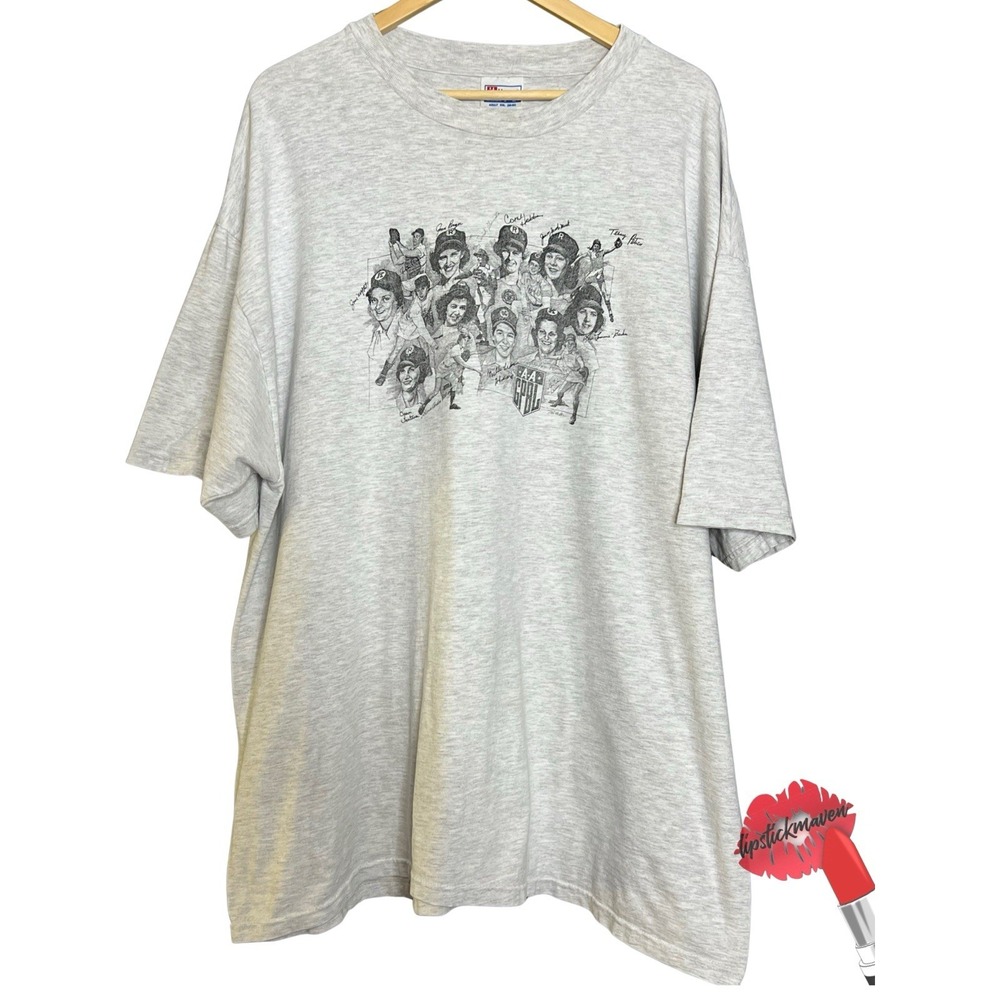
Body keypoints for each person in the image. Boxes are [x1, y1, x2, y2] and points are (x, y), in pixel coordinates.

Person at [367, 268, 437, 388]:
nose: (421, 293)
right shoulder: (415, 308)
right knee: (396, 350)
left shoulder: (430, 294)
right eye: (418, 290)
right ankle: (383, 374)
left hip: (416, 326)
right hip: (406, 329)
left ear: (427, 287)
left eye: (423, 288)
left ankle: (428, 368)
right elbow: (421, 328)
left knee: (424, 346)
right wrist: (433, 343)